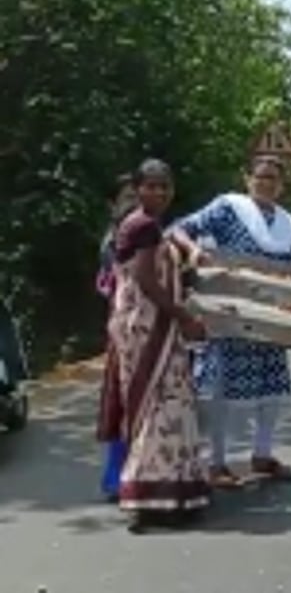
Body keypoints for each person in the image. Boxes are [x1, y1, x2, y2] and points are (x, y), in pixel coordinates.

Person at [172, 155, 291, 486]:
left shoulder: (289, 226)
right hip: (228, 314)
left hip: (269, 318)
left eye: (273, 178)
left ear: (281, 185)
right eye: (260, 177)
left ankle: (262, 454)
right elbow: (178, 229)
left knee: (271, 389)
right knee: (220, 389)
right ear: (248, 179)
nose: (265, 183)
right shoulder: (227, 208)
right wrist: (192, 252)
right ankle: (216, 463)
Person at [108, 159, 209, 528]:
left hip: (145, 325)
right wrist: (184, 316)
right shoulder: (144, 226)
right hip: (150, 326)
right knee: (163, 409)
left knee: (164, 406)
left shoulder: (143, 224)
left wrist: (191, 249)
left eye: (165, 186)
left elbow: (171, 241)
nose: (160, 192)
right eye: (151, 186)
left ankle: (167, 495)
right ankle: (155, 498)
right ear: (138, 189)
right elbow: (146, 280)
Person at [97, 173, 136, 502]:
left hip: (153, 332)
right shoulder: (114, 241)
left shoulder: (153, 232)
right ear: (113, 204)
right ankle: (116, 478)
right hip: (127, 333)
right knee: (123, 404)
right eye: (126, 196)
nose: (134, 200)